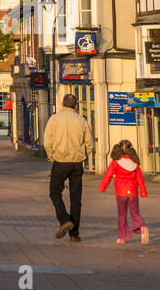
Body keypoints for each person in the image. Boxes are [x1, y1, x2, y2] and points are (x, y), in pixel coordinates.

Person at [43, 93, 93, 241]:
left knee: (54, 192)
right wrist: (85, 155)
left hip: (60, 162)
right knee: (76, 199)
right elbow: (89, 142)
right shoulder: (81, 120)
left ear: (62, 104)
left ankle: (65, 220)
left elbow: (47, 142)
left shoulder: (54, 119)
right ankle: (74, 234)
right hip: (77, 163)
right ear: (76, 106)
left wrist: (51, 155)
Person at [99, 139, 149, 245]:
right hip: (133, 192)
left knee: (122, 215)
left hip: (120, 193)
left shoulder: (115, 162)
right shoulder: (135, 163)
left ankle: (122, 238)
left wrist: (102, 188)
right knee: (135, 213)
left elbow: (108, 175)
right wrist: (143, 193)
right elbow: (140, 179)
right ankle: (142, 226)